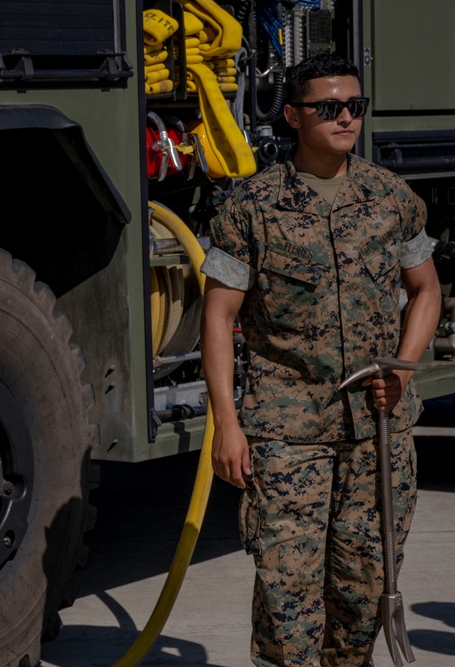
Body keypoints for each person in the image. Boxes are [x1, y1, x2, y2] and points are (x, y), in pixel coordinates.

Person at [199, 53, 441, 666]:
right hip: (287, 436)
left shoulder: (392, 199)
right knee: (289, 600)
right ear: (292, 116)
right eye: (328, 107)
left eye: (354, 106)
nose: (345, 118)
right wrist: (228, 426)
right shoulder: (251, 208)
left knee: (364, 593)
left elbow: (427, 290)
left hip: (376, 432)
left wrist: (402, 369)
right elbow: (219, 318)